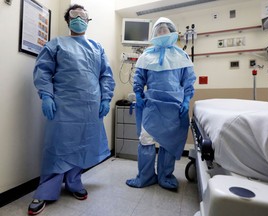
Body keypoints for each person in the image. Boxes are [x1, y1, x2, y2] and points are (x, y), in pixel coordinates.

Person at [28, 4, 115, 215]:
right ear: (68, 20)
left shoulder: (97, 47)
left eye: (82, 16)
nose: (78, 19)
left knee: (82, 144)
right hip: (63, 105)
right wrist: (47, 95)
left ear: (87, 20)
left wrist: (106, 99)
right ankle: (47, 189)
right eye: (74, 16)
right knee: (57, 145)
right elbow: (43, 70)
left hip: (90, 106)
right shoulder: (56, 44)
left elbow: (106, 76)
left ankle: (74, 181)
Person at [126, 17, 196, 191]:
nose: (162, 33)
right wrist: (138, 94)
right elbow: (139, 78)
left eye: (165, 30)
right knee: (146, 139)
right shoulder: (146, 56)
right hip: (152, 105)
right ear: (154, 34)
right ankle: (145, 176)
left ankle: (165, 176)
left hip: (173, 106)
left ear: (172, 33)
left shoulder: (182, 56)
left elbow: (188, 81)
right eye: (159, 31)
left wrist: (187, 100)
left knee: (168, 142)